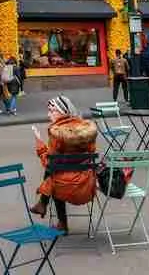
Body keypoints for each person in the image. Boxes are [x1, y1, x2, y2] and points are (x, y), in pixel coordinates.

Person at [28, 97, 98, 235]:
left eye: (52, 111)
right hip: (87, 185)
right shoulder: (86, 129)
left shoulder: (57, 133)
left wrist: (39, 143)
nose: (49, 115)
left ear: (63, 111)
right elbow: (92, 151)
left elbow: (48, 162)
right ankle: (43, 205)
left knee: (53, 175)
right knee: (55, 172)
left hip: (64, 188)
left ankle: (60, 221)